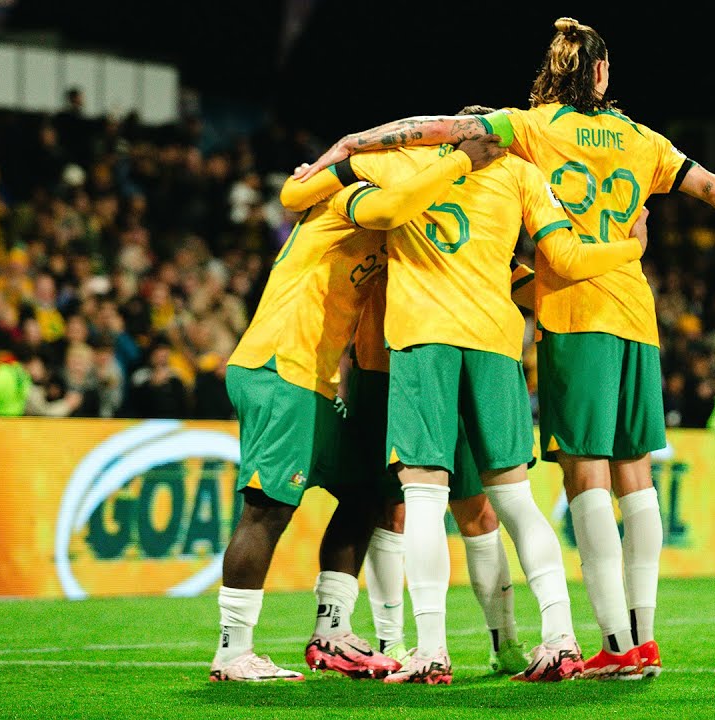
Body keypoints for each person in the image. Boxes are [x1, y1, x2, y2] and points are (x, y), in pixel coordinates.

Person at [291, 17, 715, 679]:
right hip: (635, 314)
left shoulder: (525, 128)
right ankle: (639, 635)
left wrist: (352, 143)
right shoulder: (643, 140)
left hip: (568, 313)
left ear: (552, 70)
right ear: (603, 74)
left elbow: (437, 132)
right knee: (634, 479)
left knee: (576, 479)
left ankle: (602, 640)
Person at [322, 109, 651, 685]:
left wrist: (334, 156)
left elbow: (303, 190)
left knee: (423, 500)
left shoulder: (403, 159)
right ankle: (561, 639)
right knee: (516, 502)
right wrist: (632, 249)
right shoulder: (518, 171)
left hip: (423, 341)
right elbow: (567, 260)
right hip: (496, 345)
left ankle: (429, 650)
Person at [208, 136, 506, 683]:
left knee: (367, 488)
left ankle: (332, 631)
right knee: (267, 508)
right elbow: (365, 198)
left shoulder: (394, 225)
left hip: (312, 378)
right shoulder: (353, 197)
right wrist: (462, 158)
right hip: (279, 365)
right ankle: (233, 651)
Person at [278, 153, 545, 678]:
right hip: (385, 367)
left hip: (454, 361)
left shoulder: (464, 213)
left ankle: (504, 643)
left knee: (477, 512)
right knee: (388, 508)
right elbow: (303, 209)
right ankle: (392, 640)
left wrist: (574, 293)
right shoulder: (390, 201)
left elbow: (516, 280)